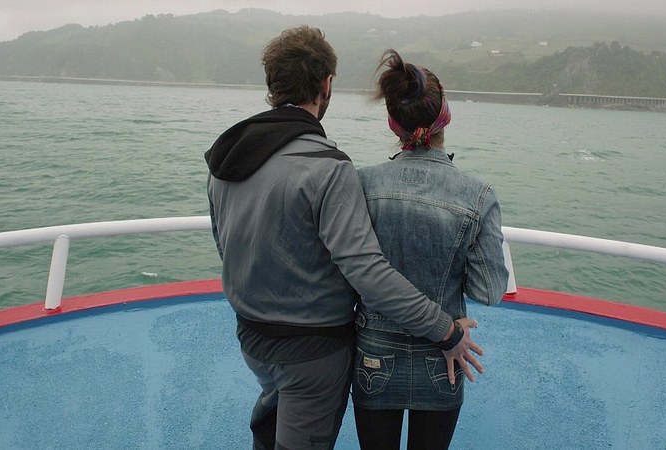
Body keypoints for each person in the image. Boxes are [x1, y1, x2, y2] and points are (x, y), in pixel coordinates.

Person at [204, 27, 485, 450]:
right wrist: (446, 331)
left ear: (273, 83)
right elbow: (367, 272)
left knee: (270, 425)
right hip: (312, 354)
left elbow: (227, 245)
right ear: (327, 84)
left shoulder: (226, 158)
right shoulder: (327, 168)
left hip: (252, 339)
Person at [352, 49, 509, 450]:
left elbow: (350, 269)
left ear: (393, 123)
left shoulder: (362, 184)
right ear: (446, 115)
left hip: (373, 355)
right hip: (445, 354)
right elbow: (489, 290)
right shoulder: (478, 195)